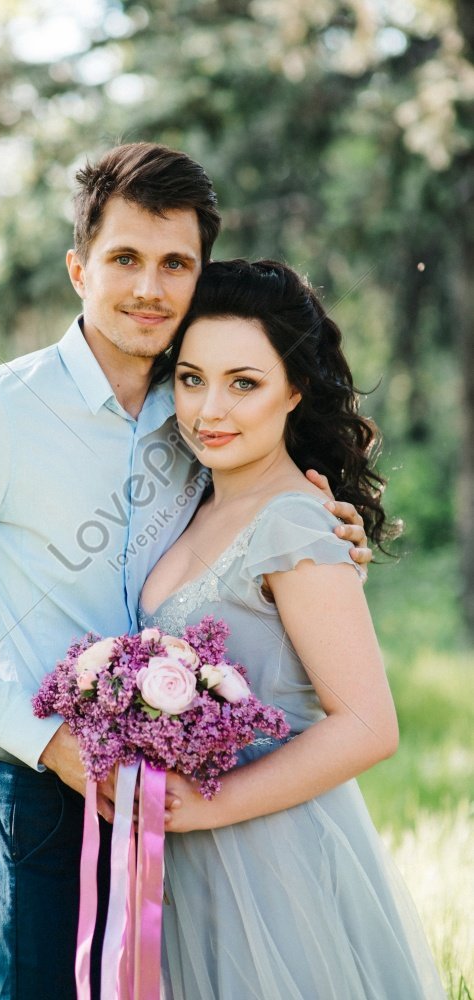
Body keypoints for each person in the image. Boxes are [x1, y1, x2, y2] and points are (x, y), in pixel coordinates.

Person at [0, 145, 371, 1000]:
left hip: (194, 796)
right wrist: (50, 744)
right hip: (42, 798)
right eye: (125, 259)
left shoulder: (205, 411)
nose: (149, 288)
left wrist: (328, 524)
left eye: (176, 264)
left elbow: (262, 549)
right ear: (78, 268)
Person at [139, 258, 445, 999]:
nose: (210, 408)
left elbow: (370, 726)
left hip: (273, 864)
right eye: (190, 378)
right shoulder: (191, 507)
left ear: (295, 390)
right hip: (186, 868)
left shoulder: (298, 522)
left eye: (244, 383)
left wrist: (204, 804)